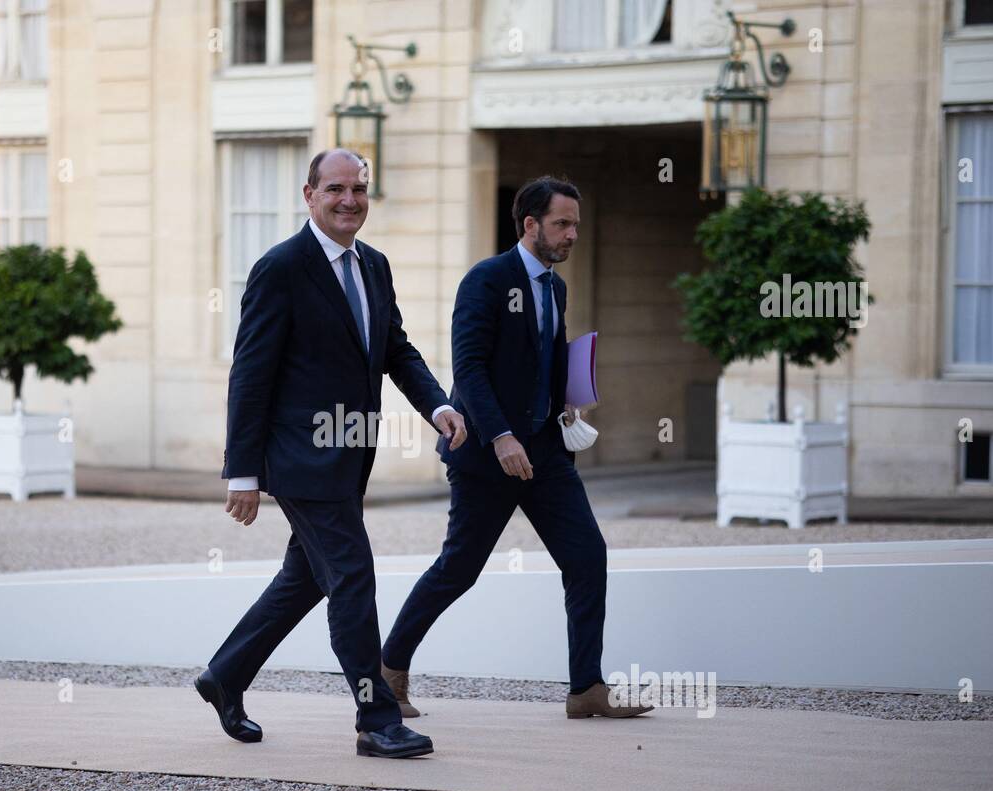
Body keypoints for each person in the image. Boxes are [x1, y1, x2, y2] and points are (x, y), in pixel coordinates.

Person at [195, 148, 469, 757]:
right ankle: (377, 717)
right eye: (336, 189)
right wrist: (242, 473)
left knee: (304, 578)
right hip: (299, 460)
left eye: (359, 190)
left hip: (348, 457)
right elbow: (250, 376)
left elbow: (395, 349)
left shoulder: (374, 265)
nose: (350, 200)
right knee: (352, 578)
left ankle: (226, 675)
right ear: (309, 194)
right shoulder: (281, 268)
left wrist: (439, 406)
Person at [379, 175, 653, 721]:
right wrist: (501, 435)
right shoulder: (486, 280)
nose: (573, 234)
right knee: (459, 569)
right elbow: (470, 367)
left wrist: (566, 400)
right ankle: (387, 672)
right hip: (486, 455)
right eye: (562, 224)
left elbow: (545, 359)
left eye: (576, 224)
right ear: (530, 225)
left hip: (546, 453)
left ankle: (586, 689)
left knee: (587, 557)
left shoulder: (555, 286)